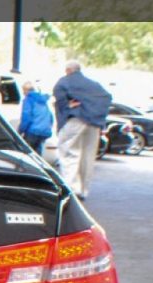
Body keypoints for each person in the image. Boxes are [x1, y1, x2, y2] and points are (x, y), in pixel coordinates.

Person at [53, 60, 112, 200]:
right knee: (88, 156)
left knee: (69, 153)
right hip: (94, 123)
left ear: (68, 70)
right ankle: (84, 189)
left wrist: (69, 106)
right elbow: (107, 97)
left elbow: (60, 101)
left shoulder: (64, 82)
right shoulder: (95, 85)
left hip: (75, 120)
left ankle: (72, 188)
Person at [17, 82, 54, 155]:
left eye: (23, 91)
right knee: (37, 154)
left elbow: (26, 117)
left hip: (33, 131)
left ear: (26, 90)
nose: (23, 93)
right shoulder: (43, 100)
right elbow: (50, 116)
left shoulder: (29, 99)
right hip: (44, 131)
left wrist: (20, 131)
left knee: (27, 154)